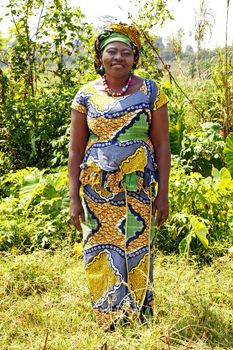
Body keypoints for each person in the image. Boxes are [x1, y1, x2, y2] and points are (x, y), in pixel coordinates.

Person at [68, 23, 170, 329]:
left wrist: (163, 194)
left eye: (126, 52)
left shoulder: (152, 92)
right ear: (100, 56)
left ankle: (140, 318)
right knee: (100, 249)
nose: (119, 57)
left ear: (134, 58)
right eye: (112, 51)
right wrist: (73, 198)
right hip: (97, 191)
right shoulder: (85, 96)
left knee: (138, 250)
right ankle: (108, 318)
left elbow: (163, 145)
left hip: (138, 187)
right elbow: (75, 151)